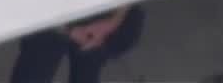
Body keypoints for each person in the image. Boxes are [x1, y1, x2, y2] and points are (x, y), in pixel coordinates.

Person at [8, 5, 145, 83]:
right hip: (51, 16)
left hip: (100, 15)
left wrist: (115, 19)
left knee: (88, 66)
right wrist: (68, 30)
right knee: (33, 73)